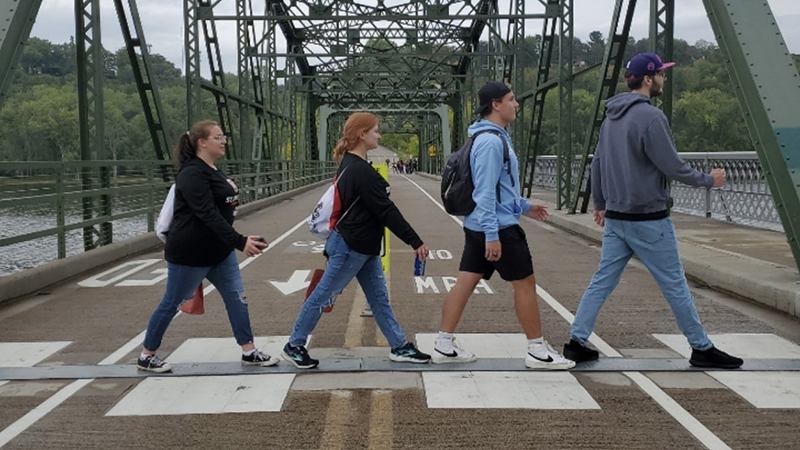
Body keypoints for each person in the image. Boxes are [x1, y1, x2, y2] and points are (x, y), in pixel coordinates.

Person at [562, 53, 743, 369]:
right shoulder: (651, 118)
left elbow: (599, 164)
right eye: (661, 73)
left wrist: (601, 204)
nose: (664, 78)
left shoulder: (611, 118)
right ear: (648, 79)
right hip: (649, 219)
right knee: (674, 283)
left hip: (617, 219)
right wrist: (708, 181)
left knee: (602, 280)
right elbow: (671, 165)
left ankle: (576, 341)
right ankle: (701, 348)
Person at [433, 81, 575, 370]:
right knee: (524, 284)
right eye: (511, 99)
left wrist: (525, 206)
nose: (516, 104)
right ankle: (537, 350)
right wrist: (492, 235)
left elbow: (501, 189)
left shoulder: (489, 137)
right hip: (497, 228)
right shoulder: (490, 142)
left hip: (481, 224)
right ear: (495, 104)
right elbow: (484, 193)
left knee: (465, 282)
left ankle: (443, 344)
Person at [282, 112, 432, 369]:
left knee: (378, 298)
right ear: (362, 134)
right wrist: (415, 241)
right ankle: (294, 345)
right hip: (350, 246)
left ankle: (399, 345)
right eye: (375, 131)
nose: (379, 135)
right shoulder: (360, 171)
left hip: (362, 246)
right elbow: (386, 211)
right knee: (323, 295)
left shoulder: (351, 165)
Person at [137, 120, 278, 373]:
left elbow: (223, 209)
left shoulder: (213, 170)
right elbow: (207, 214)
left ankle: (249, 350)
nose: (223, 141)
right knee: (172, 302)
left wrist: (236, 240)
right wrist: (240, 241)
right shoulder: (192, 174)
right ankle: (147, 355)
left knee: (237, 299)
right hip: (191, 253)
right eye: (218, 137)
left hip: (218, 251)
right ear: (202, 142)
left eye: (223, 136)